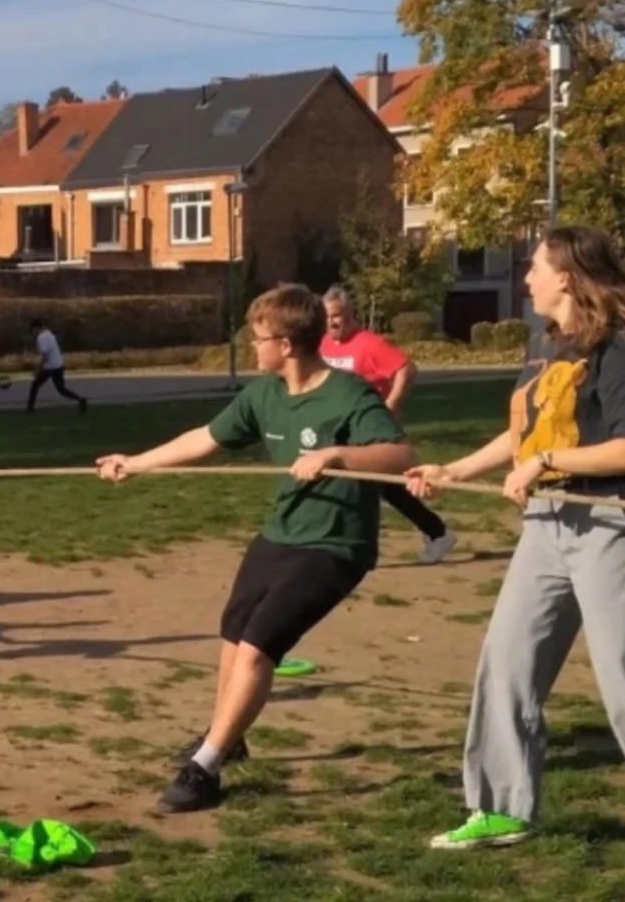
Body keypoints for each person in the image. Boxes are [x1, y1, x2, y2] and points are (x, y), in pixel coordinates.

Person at [404, 225, 625, 857]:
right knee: (507, 663)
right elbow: (521, 435)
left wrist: (547, 460)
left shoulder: (622, 349)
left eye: (535, 266)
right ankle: (500, 809)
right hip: (546, 526)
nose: (525, 276)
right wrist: (455, 470)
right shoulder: (546, 344)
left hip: (607, 522)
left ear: (568, 277)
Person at [95, 284, 415, 813]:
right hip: (280, 533)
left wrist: (338, 454)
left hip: (334, 543)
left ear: (287, 344)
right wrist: (136, 462)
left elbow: (400, 454)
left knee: (258, 646)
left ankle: (205, 768)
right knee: (233, 635)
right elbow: (205, 438)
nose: (252, 346)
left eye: (259, 337)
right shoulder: (264, 394)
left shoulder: (349, 395)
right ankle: (228, 734)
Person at [320, 286, 458, 564]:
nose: (331, 323)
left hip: (369, 428)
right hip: (340, 428)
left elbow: (406, 369)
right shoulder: (323, 343)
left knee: (371, 484)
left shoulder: (368, 343)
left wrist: (391, 405)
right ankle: (436, 532)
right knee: (381, 486)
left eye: (336, 316)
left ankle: (433, 533)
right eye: (327, 317)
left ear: (349, 313)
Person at [27, 318, 88, 414]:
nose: (33, 334)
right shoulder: (49, 333)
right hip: (59, 365)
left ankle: (30, 409)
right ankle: (80, 399)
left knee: (35, 385)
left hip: (50, 367)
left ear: (36, 328)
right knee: (61, 389)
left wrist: (37, 370)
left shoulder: (41, 338)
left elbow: (45, 356)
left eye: (33, 331)